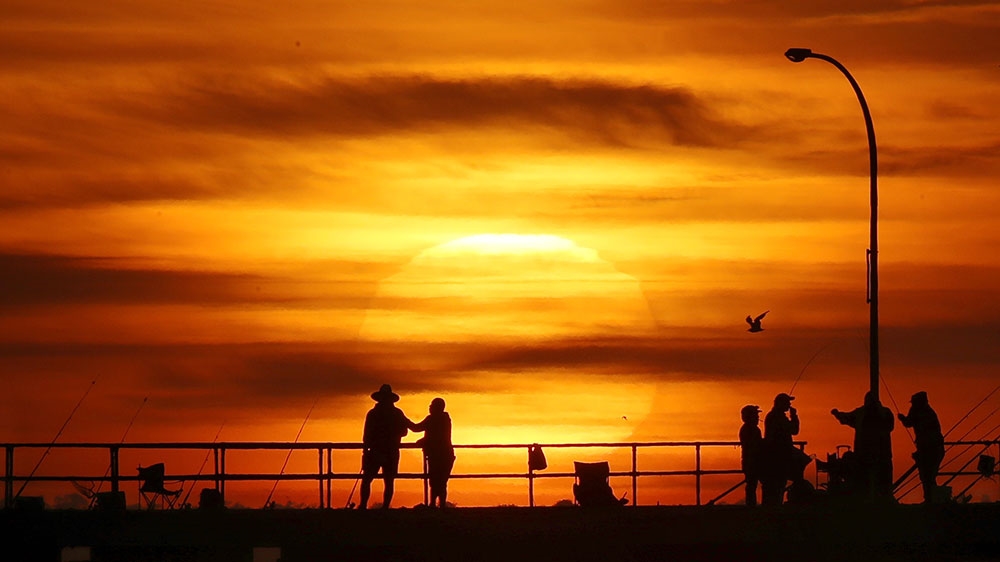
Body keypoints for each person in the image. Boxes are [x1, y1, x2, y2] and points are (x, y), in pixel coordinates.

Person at [832, 391, 895, 501]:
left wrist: (837, 414)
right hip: (869, 455)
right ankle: (877, 499)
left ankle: (882, 499)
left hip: (877, 455)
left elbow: (847, 418)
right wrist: (837, 414)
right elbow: (847, 417)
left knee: (879, 479)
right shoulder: (867, 413)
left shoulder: (879, 413)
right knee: (871, 479)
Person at [359, 384, 413, 510]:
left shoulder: (373, 413)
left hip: (375, 451)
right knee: (388, 480)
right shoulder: (397, 413)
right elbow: (406, 430)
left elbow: (366, 435)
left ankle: (363, 505)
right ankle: (385, 507)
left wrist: (366, 451)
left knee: (367, 479)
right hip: (391, 451)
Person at [898, 391, 945, 503]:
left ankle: (930, 499)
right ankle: (931, 499)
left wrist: (902, 418)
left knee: (927, 476)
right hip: (936, 448)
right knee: (929, 476)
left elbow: (908, 423)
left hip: (928, 449)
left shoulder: (918, 411)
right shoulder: (929, 412)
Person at [411, 397, 456, 508]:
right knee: (441, 482)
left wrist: (405, 422)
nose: (429, 407)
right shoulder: (445, 419)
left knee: (436, 481)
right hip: (446, 455)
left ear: (437, 407)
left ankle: (434, 505)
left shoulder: (432, 419)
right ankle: (439, 505)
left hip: (437, 455)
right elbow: (436, 435)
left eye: (432, 405)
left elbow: (417, 428)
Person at [761, 393, 799, 505]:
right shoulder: (778, 417)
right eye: (787, 402)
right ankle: (774, 507)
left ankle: (772, 506)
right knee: (777, 484)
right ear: (780, 403)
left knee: (774, 485)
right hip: (778, 457)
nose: (789, 404)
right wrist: (794, 416)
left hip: (774, 456)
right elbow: (794, 430)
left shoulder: (773, 416)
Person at [739, 404, 763, 506]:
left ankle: (751, 505)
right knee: (752, 485)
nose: (757, 418)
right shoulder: (751, 429)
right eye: (755, 415)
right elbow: (755, 445)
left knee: (752, 484)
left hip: (751, 461)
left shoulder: (748, 429)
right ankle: (752, 505)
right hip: (752, 461)